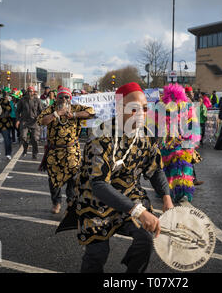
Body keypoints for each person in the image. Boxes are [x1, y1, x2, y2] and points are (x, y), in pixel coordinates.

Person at [58, 82, 174, 273]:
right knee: (98, 253)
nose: (141, 114)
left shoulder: (147, 135)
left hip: (130, 194)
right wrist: (138, 212)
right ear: (120, 109)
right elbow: (99, 184)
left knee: (145, 240)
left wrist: (166, 198)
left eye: (145, 108)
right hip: (95, 201)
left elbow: (156, 169)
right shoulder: (101, 135)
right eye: (134, 109)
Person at [37, 86, 95, 214]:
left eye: (67, 97)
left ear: (70, 98)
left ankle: (70, 201)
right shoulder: (50, 109)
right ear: (57, 98)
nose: (64, 99)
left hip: (71, 150)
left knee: (73, 178)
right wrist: (57, 114)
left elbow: (91, 112)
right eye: (61, 97)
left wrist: (74, 115)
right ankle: (56, 202)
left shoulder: (75, 108)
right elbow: (41, 121)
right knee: (53, 179)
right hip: (54, 151)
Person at [157, 84, 201, 202]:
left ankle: (182, 192)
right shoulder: (162, 106)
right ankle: (170, 192)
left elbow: (193, 125)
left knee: (181, 168)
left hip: (180, 143)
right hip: (169, 144)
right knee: (172, 168)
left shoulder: (185, 106)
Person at [15, 87, 42, 159]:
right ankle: (25, 148)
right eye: (29, 91)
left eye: (31, 91)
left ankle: (35, 153)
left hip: (34, 122)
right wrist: (18, 120)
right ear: (27, 92)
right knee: (23, 137)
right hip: (24, 121)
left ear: (33, 92)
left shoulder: (38, 100)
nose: (30, 93)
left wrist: (39, 118)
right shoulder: (22, 100)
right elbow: (17, 111)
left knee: (35, 139)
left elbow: (41, 111)